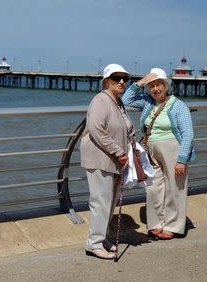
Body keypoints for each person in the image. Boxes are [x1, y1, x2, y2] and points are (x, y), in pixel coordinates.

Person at [122, 68, 195, 240]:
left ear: (166, 85)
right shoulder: (148, 102)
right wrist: (141, 82)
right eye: (151, 86)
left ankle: (174, 227)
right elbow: (125, 100)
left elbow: (188, 134)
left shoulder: (178, 106)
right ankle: (156, 224)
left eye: (158, 84)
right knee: (153, 187)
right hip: (151, 151)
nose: (155, 89)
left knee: (175, 188)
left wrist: (182, 160)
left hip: (174, 150)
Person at [81, 63, 135, 259]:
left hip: (116, 160)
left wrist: (131, 146)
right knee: (100, 202)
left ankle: (102, 238)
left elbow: (126, 127)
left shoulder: (118, 102)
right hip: (100, 158)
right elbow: (96, 129)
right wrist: (118, 151)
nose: (121, 81)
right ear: (106, 81)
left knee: (110, 202)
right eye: (116, 77)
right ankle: (93, 244)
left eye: (125, 78)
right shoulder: (100, 100)